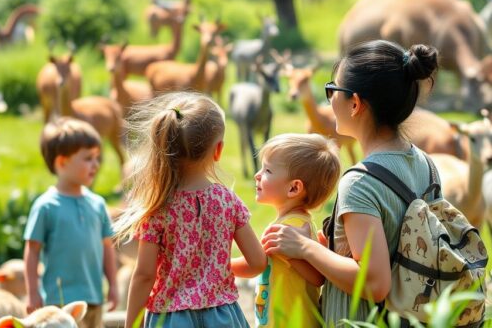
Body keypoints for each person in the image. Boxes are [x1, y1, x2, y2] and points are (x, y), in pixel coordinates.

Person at [261, 40, 438, 324]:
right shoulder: (425, 164)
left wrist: (306, 247)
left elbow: (374, 282)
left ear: (354, 104)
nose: (329, 98)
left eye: (332, 89)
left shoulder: (360, 184)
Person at [114, 92, 267, 328]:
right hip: (223, 316)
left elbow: (145, 275)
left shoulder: (158, 208)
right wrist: (217, 268)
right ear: (218, 151)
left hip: (170, 318)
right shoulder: (227, 201)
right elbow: (257, 262)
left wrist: (131, 325)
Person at [232, 133, 340, 328]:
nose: (257, 175)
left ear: (293, 188)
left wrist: (218, 264)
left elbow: (254, 264)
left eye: (267, 170)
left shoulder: (285, 231)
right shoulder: (300, 223)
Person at [23, 117, 118, 328]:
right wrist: (32, 293)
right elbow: (32, 250)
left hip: (93, 297)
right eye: (88, 158)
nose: (96, 164)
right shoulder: (46, 206)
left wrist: (112, 285)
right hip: (59, 303)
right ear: (62, 162)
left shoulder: (97, 204)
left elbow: (107, 248)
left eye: (97, 157)